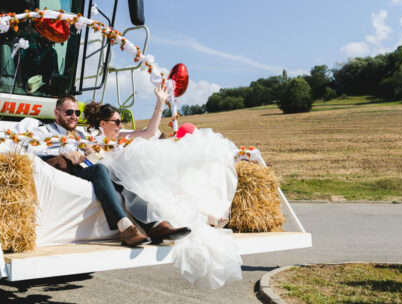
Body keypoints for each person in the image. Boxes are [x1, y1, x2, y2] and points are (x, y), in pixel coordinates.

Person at [83, 87, 243, 289]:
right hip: (111, 175)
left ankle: (178, 222)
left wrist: (160, 103)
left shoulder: (120, 136)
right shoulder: (91, 140)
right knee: (139, 187)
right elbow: (90, 160)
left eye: (120, 122)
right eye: (116, 122)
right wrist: (93, 152)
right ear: (102, 123)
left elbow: (149, 133)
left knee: (159, 187)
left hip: (127, 175)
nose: (120, 125)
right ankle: (160, 225)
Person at [28, 95, 190, 247]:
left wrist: (88, 150)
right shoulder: (43, 131)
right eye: (69, 112)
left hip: (84, 169)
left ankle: (154, 225)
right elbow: (30, 149)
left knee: (122, 175)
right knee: (102, 169)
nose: (74, 116)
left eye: (77, 112)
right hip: (61, 169)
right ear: (56, 113)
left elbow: (144, 134)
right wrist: (64, 153)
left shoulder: (80, 135)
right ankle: (124, 227)